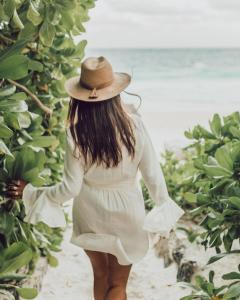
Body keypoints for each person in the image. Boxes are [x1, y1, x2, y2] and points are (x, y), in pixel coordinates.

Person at [5, 56, 185, 300]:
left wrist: (33, 192)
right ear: (115, 93)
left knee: (100, 276)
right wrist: (163, 208)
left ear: (80, 98)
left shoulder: (75, 134)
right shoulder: (135, 127)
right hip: (128, 212)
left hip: (90, 212)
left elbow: (70, 188)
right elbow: (153, 175)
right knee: (118, 284)